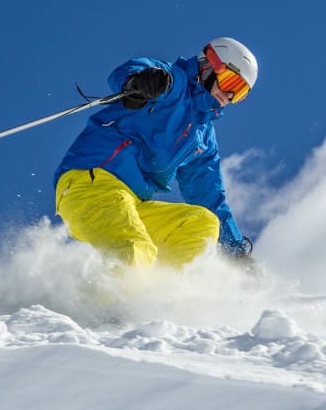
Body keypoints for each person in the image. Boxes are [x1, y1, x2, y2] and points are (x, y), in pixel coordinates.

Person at [54, 37, 257, 268]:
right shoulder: (172, 82)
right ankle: (117, 301)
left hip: (133, 204)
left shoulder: (203, 138)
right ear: (208, 66)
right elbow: (131, 69)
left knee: (202, 223)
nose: (229, 96)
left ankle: (167, 295)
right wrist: (141, 81)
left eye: (239, 93)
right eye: (231, 82)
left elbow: (210, 197)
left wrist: (236, 252)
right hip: (91, 184)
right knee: (136, 247)